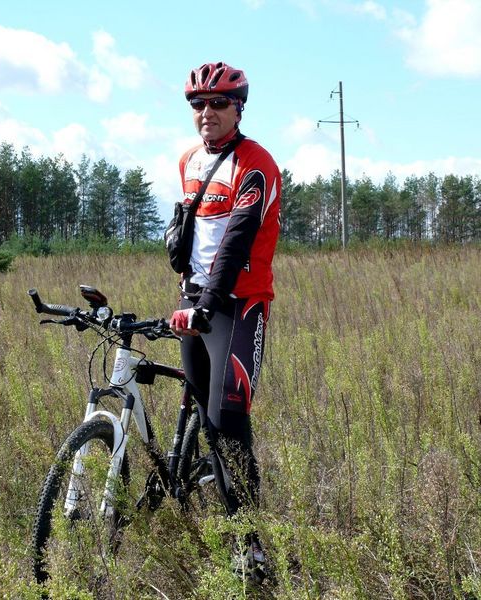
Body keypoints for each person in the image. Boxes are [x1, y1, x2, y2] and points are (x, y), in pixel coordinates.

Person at [169, 61, 281, 581]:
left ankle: (252, 550)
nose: (206, 113)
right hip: (196, 303)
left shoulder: (256, 165)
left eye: (218, 103)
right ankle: (201, 503)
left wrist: (208, 302)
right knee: (200, 420)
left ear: (239, 107)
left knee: (230, 429)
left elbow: (235, 244)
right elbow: (195, 234)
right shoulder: (189, 161)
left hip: (237, 308)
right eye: (197, 104)